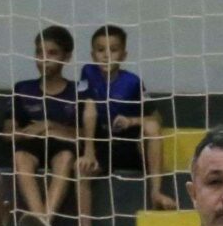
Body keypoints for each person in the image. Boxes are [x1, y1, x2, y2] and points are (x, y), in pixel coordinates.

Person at [76, 24, 179, 213]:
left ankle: (156, 193)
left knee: (151, 128)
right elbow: (87, 109)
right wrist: (88, 151)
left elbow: (155, 119)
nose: (106, 55)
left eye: (113, 50)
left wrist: (131, 121)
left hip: (129, 146)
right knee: (82, 169)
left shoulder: (132, 82)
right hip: (102, 146)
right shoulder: (88, 72)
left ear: (123, 55)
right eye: (100, 50)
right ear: (93, 55)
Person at [10, 25, 84, 226]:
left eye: (52, 53)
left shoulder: (78, 91)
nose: (45, 59)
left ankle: (43, 222)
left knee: (65, 157)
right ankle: (42, 222)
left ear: (66, 57)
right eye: (40, 53)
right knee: (21, 156)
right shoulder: (23, 89)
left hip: (62, 149)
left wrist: (49, 126)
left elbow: (82, 136)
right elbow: (7, 132)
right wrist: (24, 132)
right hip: (31, 148)